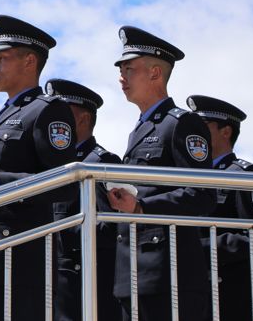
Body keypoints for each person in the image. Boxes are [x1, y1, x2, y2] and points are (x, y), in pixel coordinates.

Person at [0, 15, 78, 320]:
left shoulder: (48, 110)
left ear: (29, 61)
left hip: (18, 262)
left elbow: (63, 184)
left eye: (2, 58)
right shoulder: (6, 113)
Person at [106, 26, 216, 321]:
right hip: (133, 274)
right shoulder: (140, 128)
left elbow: (202, 194)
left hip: (170, 276)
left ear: (155, 73)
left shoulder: (181, 123)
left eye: (129, 69)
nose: (121, 77)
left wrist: (142, 207)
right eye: (121, 70)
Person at [45, 78, 121, 321]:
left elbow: (111, 228)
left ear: (83, 119)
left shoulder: (100, 162)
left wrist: (58, 229)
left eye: (61, 113)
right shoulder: (53, 164)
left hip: (84, 284)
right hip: (53, 279)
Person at [187, 94, 253, 321]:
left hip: (230, 298)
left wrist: (196, 248)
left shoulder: (245, 175)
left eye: (202, 126)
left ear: (226, 131)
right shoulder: (187, 177)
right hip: (191, 295)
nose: (194, 133)